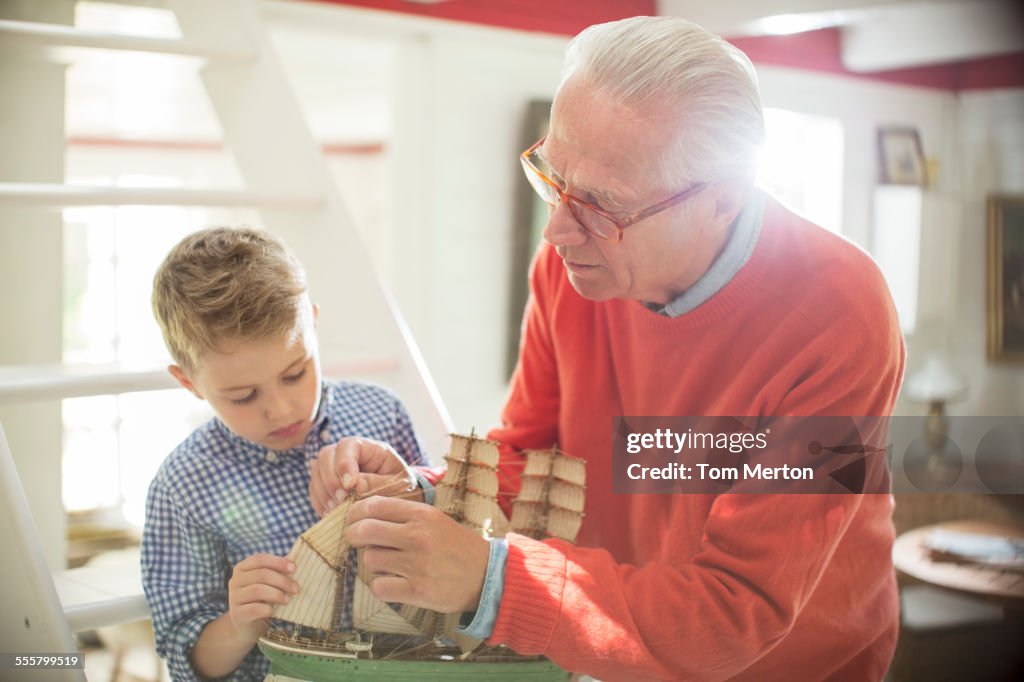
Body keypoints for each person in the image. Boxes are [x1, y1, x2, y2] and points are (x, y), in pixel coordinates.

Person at [311, 16, 904, 681]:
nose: (558, 229)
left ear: (722, 201)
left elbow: (736, 614)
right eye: (552, 176)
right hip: (618, 648)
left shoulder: (837, 314)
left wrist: (492, 580)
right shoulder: (574, 267)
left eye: (599, 203)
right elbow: (535, 456)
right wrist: (422, 494)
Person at [141, 226, 425, 681]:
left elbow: (445, 537)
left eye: (295, 373)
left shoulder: (381, 414)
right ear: (189, 383)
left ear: (312, 324)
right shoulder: (184, 484)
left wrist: (405, 487)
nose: (281, 409)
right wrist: (240, 624)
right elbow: (187, 657)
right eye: (242, 395)